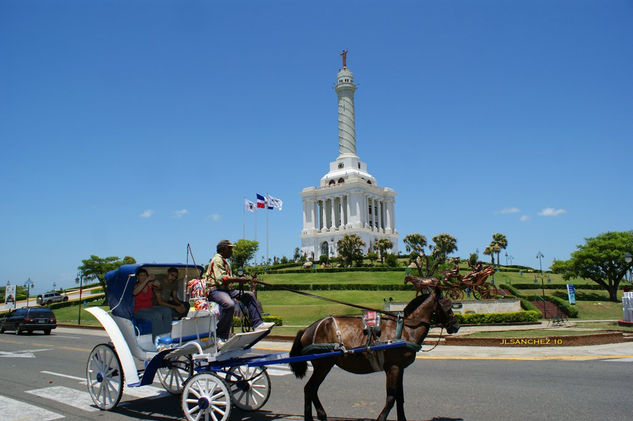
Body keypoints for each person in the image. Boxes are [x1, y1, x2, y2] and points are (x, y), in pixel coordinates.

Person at [205, 240, 274, 344]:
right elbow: (222, 279)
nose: (232, 251)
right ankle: (220, 335)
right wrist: (239, 279)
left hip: (226, 290)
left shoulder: (225, 261)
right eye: (230, 248)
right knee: (229, 304)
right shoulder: (217, 260)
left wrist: (240, 279)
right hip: (215, 290)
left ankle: (258, 324)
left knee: (249, 295)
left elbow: (228, 280)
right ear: (223, 249)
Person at [132, 268, 172, 341]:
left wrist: (158, 284)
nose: (143, 277)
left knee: (167, 310)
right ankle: (157, 340)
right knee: (156, 315)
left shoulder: (149, 285)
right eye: (141, 275)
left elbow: (160, 288)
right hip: (139, 311)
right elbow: (135, 292)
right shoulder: (136, 286)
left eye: (145, 275)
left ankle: (167, 336)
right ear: (137, 277)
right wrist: (147, 280)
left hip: (150, 308)